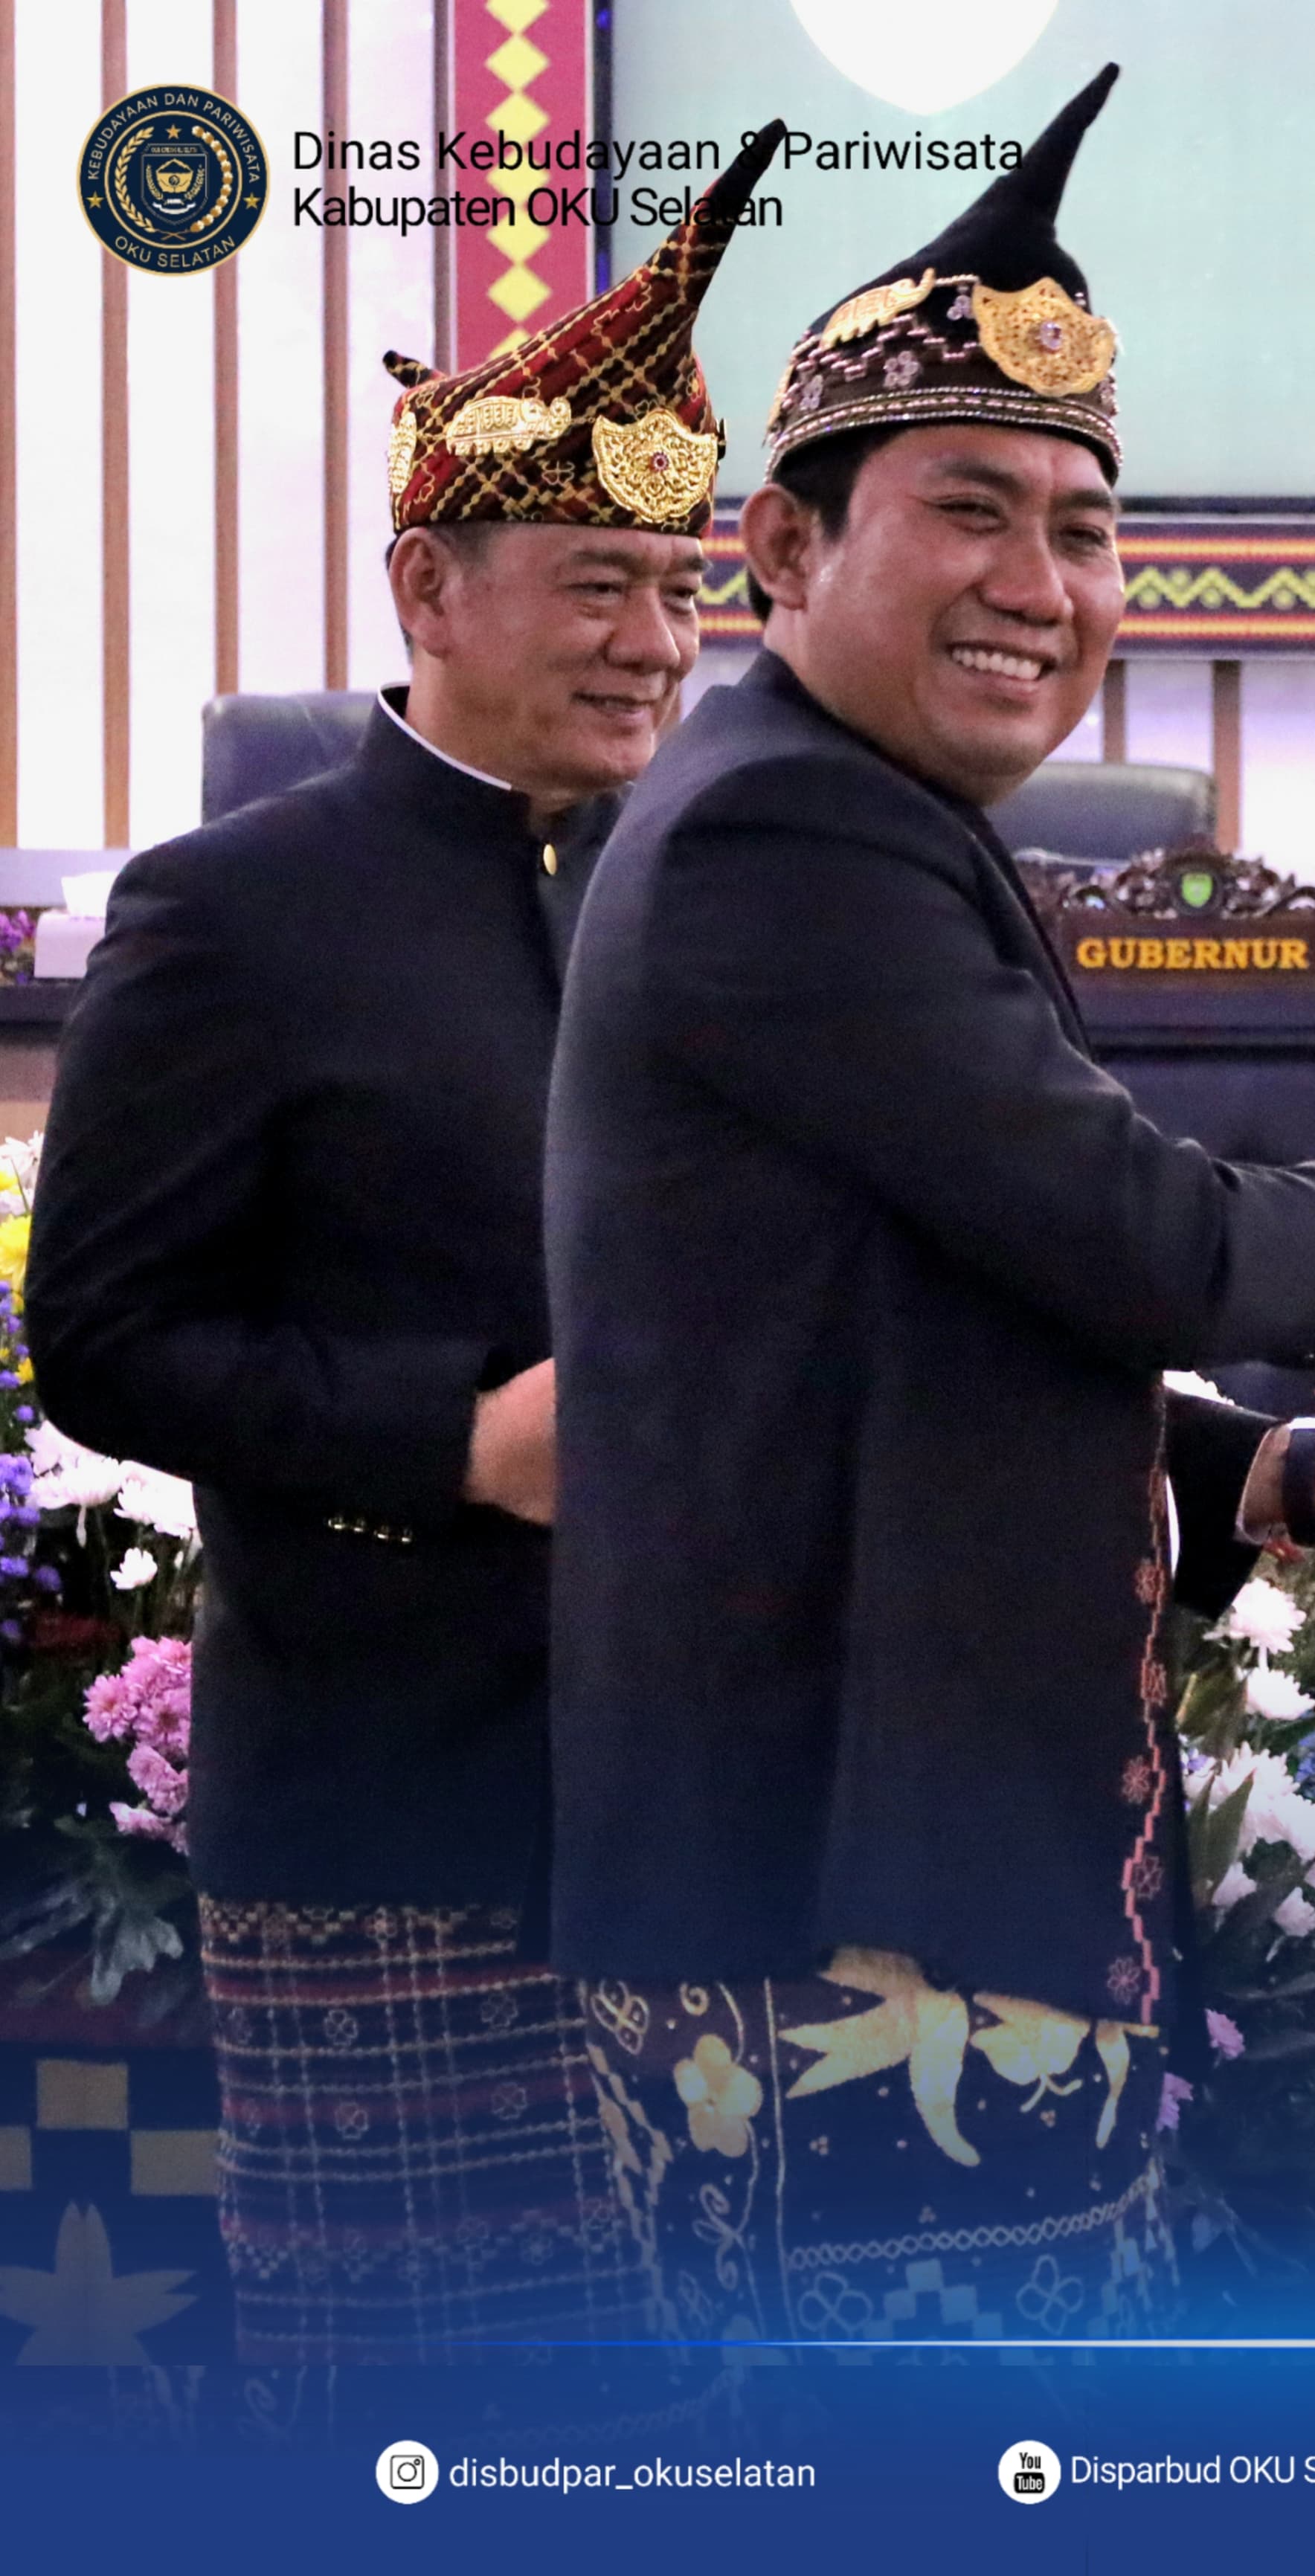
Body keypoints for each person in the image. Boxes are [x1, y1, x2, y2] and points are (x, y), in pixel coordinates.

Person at [542, 66, 1315, 2348]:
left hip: (888, 1887)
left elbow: (937, 1324)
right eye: (971, 510)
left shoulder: (845, 813)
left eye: (1087, 529)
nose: (1042, 585)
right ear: (783, 548)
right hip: (842, 1914)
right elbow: (1147, 1245)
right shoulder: (787, 832)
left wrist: (1299, 1475)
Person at [23, 127, 784, 2364]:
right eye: (595, 581)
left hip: (722, 1807)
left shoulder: (723, 890)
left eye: (679, 585)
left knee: (725, 2431)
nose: (654, 641)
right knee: (421, 2429)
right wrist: (454, 1439)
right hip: (393, 1806)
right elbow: (105, 1337)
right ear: (425, 589)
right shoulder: (232, 909)